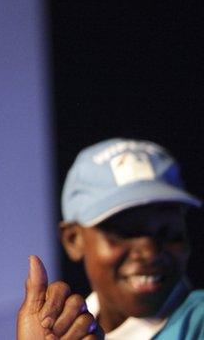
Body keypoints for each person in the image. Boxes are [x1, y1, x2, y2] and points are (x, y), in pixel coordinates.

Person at [18, 138, 204, 339]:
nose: (150, 252)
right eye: (124, 232)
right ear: (73, 239)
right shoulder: (61, 329)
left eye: (168, 231)